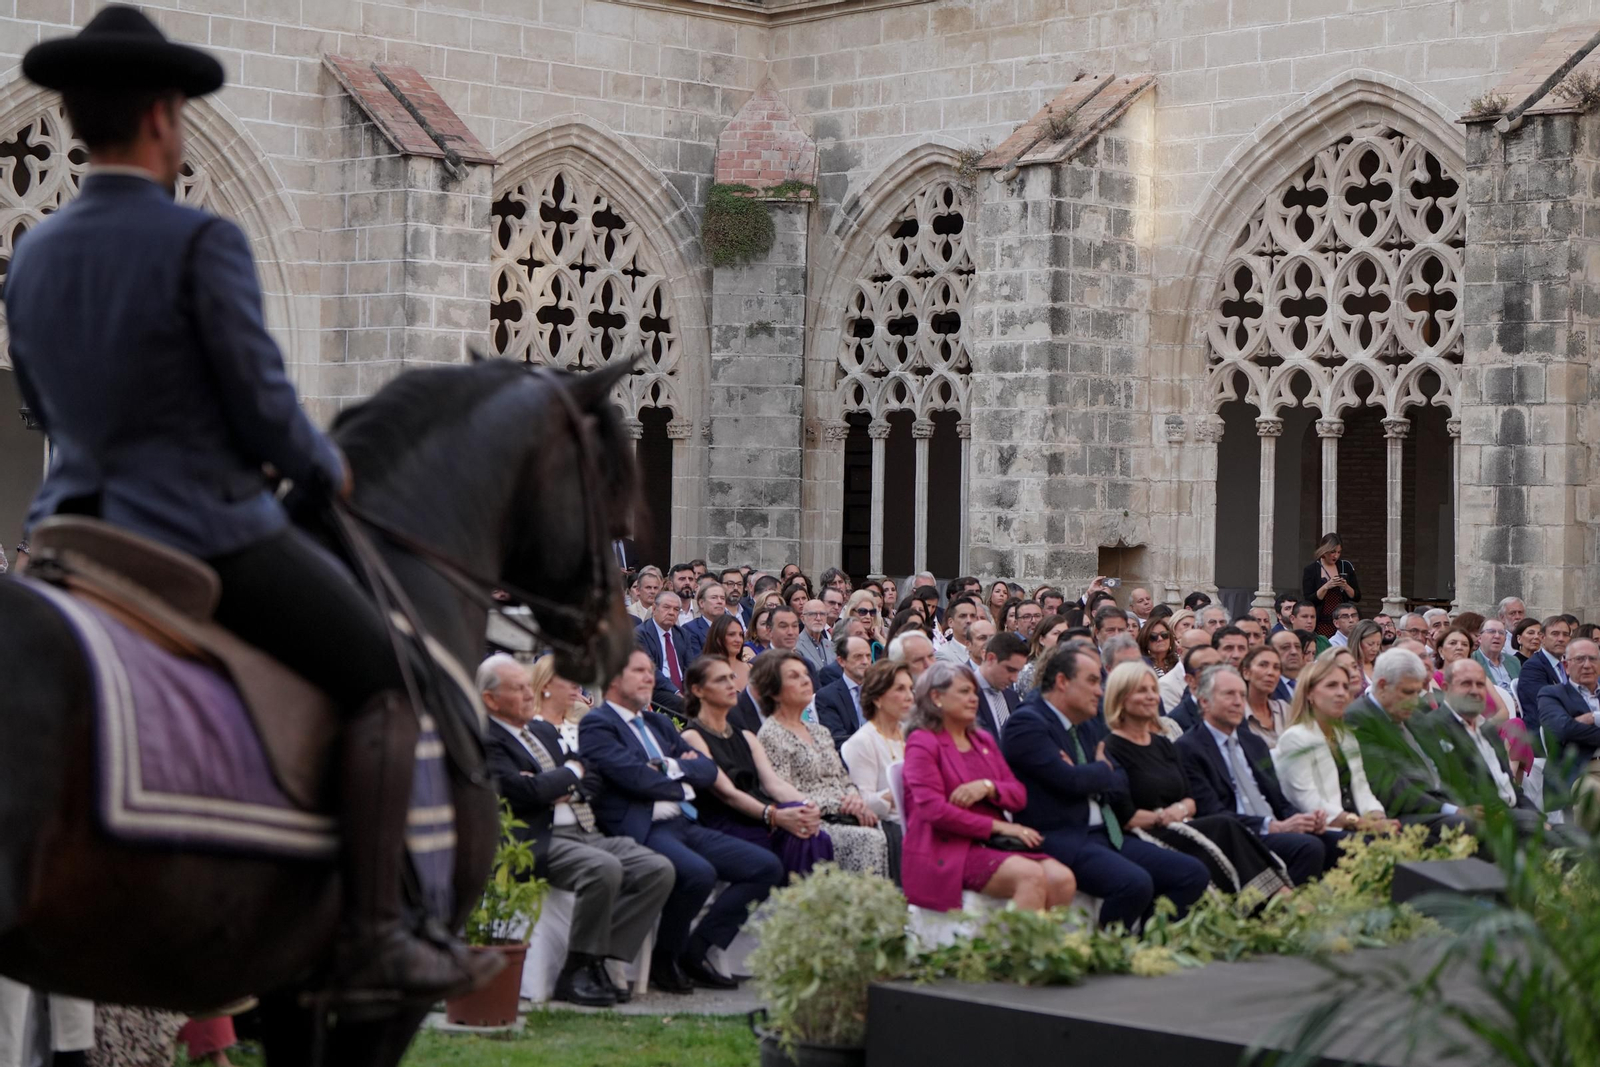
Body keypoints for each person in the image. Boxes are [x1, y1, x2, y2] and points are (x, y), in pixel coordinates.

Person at [2, 7, 495, 1002]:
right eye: (179, 112)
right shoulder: (199, 241)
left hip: (69, 530)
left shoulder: (36, 252)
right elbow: (264, 403)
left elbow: (42, 403)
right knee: (385, 675)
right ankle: (375, 932)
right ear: (159, 114)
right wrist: (323, 464)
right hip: (197, 529)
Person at [580, 650, 784, 994]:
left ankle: (696, 949)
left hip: (683, 823)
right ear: (614, 679)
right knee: (697, 873)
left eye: (651, 670)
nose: (649, 677)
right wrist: (681, 772)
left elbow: (705, 771)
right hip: (641, 826)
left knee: (765, 867)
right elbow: (633, 779)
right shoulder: (598, 723)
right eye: (640, 671)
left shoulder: (659, 723)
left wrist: (667, 769)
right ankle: (665, 958)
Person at [479, 654, 675, 1007]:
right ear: (490, 699)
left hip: (586, 830)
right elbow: (525, 793)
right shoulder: (488, 740)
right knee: (603, 869)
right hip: (539, 839)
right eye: (519, 689)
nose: (528, 694)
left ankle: (599, 959)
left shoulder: (536, 732)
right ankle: (575, 970)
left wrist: (560, 782)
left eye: (528, 687)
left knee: (657, 869)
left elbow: (589, 772)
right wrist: (566, 776)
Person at [1001, 642, 1210, 928]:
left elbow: (1118, 779)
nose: (1100, 691)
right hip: (1064, 835)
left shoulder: (1086, 722)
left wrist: (1090, 773)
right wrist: (1099, 770)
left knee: (1192, 873)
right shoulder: (1027, 723)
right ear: (1062, 682)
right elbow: (1070, 782)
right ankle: (1113, 950)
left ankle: (1149, 944)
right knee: (1134, 883)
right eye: (1092, 682)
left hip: (1108, 832)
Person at [1102, 662, 1292, 898]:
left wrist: (1179, 809)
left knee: (1226, 826)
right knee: (1224, 824)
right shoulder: (1111, 748)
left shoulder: (1161, 743)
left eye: (1153, 689)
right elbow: (1125, 816)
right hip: (1147, 833)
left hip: (1180, 822)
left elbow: (1189, 798)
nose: (1152, 696)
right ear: (1119, 698)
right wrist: (1164, 816)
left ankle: (1272, 897)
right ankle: (1274, 897)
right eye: (1142, 691)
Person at [901, 661, 1076, 913]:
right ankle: (1018, 952)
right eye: (964, 692)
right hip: (947, 848)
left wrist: (988, 787)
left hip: (992, 844)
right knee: (1030, 876)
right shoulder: (922, 743)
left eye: (974, 692)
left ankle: (1050, 949)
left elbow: (1017, 796)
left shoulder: (981, 739)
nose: (974, 699)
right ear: (936, 697)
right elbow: (935, 811)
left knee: (1062, 879)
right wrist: (999, 826)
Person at [1174, 666, 1339, 885]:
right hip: (1239, 837)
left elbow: (1279, 801)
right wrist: (1271, 826)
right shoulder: (1188, 748)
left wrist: (1305, 820)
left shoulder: (1253, 743)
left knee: (1343, 843)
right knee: (1309, 848)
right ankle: (1288, 913)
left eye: (1242, 695)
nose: (1237, 702)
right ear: (1204, 702)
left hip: (1276, 827)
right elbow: (1213, 813)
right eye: (1228, 694)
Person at [679, 657, 834, 879]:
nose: (732, 685)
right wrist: (774, 815)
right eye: (721, 680)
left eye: (731, 677)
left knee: (812, 832)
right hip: (727, 822)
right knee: (799, 836)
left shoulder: (746, 736)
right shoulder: (693, 737)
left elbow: (774, 784)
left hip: (761, 815)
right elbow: (728, 794)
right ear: (698, 690)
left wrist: (807, 806)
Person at [755, 652, 889, 876]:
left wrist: (854, 799)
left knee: (893, 830)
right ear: (774, 690)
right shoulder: (771, 733)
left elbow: (842, 778)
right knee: (871, 839)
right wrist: (840, 804)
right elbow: (782, 790)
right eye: (794, 677)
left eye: (806, 675)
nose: (806, 680)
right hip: (816, 820)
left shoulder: (818, 731)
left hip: (846, 811)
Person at [1344, 649, 1474, 835]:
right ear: (1381, 686)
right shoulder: (1359, 719)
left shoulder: (1413, 715)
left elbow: (1446, 766)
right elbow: (1387, 787)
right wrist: (1450, 809)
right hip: (1402, 814)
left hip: (1443, 803)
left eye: (1417, 693)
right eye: (1407, 692)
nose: (1414, 701)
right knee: (1470, 825)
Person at [1420, 657, 1544, 835]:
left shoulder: (1488, 731)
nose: (1475, 691)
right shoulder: (1434, 727)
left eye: (1480, 685)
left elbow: (1510, 785)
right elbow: (1454, 786)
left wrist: (1535, 816)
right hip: (1480, 819)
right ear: (1446, 688)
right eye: (1466, 684)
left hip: (1513, 813)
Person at [1271, 653, 1393, 833]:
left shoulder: (1345, 737)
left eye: (1345, 686)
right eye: (1331, 685)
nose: (1341, 693)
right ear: (1309, 693)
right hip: (1324, 831)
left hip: (1356, 825)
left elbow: (1361, 788)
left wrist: (1378, 817)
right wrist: (1360, 822)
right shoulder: (1295, 738)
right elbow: (1308, 801)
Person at [843, 660, 915, 823]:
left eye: (911, 689)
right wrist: (897, 793)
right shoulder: (863, 742)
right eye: (900, 689)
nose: (910, 696)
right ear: (877, 698)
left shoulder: (911, 733)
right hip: (893, 828)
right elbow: (864, 802)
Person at [1536, 638, 1600, 817]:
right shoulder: (1551, 694)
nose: (1587, 665)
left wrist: (1590, 718)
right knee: (1591, 791)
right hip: (1579, 768)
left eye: (1593, 659)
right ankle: (1585, 845)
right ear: (1566, 665)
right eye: (1580, 659)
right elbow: (1562, 729)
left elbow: (1572, 729)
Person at [814, 634, 874, 753]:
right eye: (858, 657)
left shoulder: (881, 691)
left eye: (868, 656)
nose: (865, 662)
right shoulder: (827, 696)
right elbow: (836, 740)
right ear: (841, 661)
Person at [1518, 615, 1572, 735]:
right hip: (1545, 734)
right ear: (1542, 638)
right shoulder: (1533, 667)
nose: (1561, 639)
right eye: (1555, 634)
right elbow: (1546, 705)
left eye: (1565, 634)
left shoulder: (1567, 665)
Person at [1302, 533, 1360, 640]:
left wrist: (1345, 586)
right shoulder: (1311, 570)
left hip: (1342, 620)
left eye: (1339, 552)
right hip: (1322, 620)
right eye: (1332, 552)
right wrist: (1326, 586)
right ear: (1324, 550)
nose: (1336, 556)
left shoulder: (1345, 566)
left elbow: (1357, 596)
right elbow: (1309, 600)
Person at [528, 654, 590, 753]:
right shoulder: (527, 729)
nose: (576, 685)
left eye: (576, 679)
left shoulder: (579, 727)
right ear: (546, 685)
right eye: (567, 678)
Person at [974, 631, 1028, 736]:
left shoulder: (1012, 697)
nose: (1015, 679)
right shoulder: (964, 694)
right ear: (990, 659)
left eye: (1018, 671)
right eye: (1010, 669)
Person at [1240, 645, 1289, 748]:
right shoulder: (1236, 713)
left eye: (1276, 667)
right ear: (1246, 673)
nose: (1271, 672)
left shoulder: (1285, 709)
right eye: (1263, 665)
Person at [1167, 644, 1221, 733]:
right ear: (1190, 680)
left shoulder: (1232, 707)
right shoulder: (1175, 722)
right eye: (1206, 668)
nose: (1216, 672)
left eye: (1219, 666)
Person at [1016, 613, 1070, 697]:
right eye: (1056, 633)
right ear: (1041, 639)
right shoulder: (1030, 671)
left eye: (1066, 633)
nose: (1062, 638)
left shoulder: (1073, 666)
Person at [679, 582, 728, 661]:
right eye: (714, 597)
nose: (720, 601)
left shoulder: (731, 627)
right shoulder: (689, 629)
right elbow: (698, 661)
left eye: (722, 598)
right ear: (701, 603)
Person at [1474, 618, 1521, 699]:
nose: (1497, 636)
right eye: (1491, 631)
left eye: (1501, 633)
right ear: (1480, 638)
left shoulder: (1514, 661)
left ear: (1505, 639)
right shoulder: (1472, 661)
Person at [937, 596, 983, 664]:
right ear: (950, 622)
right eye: (963, 616)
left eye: (972, 616)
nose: (969, 620)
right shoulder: (943, 655)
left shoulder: (984, 650)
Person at [796, 599, 832, 672]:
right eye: (812, 614)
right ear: (803, 619)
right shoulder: (796, 646)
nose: (818, 618)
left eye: (822, 614)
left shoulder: (832, 646)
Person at [1349, 620, 1383, 687]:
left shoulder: (1382, 666)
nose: (1375, 649)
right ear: (1357, 642)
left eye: (1378, 644)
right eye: (1370, 644)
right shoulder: (1348, 667)